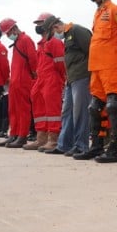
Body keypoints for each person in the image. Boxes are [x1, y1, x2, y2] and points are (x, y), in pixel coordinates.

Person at [76, 0, 117, 163]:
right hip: (97, 67)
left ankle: (115, 150)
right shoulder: (98, 13)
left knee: (114, 106)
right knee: (95, 108)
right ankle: (97, 147)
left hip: (112, 65)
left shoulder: (116, 10)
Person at [49, 17, 92, 156]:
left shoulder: (77, 30)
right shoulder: (67, 36)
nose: (55, 36)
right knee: (67, 112)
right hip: (72, 79)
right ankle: (64, 145)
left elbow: (92, 50)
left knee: (80, 112)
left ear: (56, 27)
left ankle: (81, 146)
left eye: (53, 32)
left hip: (82, 76)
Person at [0, 18, 37, 149]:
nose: (8, 36)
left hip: (23, 80)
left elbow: (33, 60)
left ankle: (22, 136)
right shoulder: (18, 42)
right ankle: (13, 134)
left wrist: (33, 76)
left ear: (14, 29)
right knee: (13, 109)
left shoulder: (26, 40)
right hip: (15, 81)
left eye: (8, 33)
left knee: (23, 109)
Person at [28, 15, 66, 152]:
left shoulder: (55, 42)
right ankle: (41, 137)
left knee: (52, 110)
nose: (38, 26)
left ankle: (53, 139)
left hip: (52, 78)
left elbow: (61, 63)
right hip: (41, 79)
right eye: (37, 23)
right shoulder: (41, 43)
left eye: (41, 23)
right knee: (39, 107)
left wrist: (60, 79)